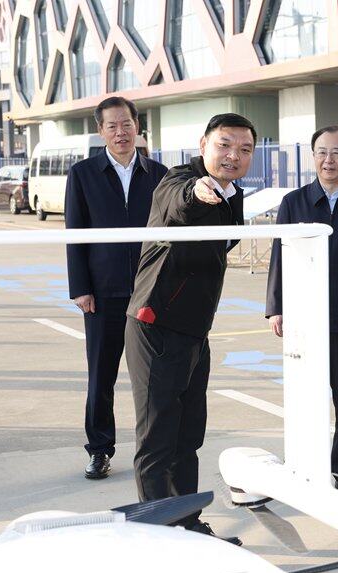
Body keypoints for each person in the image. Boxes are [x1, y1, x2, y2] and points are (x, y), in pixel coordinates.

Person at [125, 113, 256, 545]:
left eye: (244, 149)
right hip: (157, 325)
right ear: (203, 145)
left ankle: (187, 524)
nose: (233, 156)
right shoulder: (179, 180)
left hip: (196, 330)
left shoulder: (234, 194)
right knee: (157, 437)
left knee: (188, 435)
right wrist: (198, 191)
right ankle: (158, 534)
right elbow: (181, 202)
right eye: (224, 145)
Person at [65, 96, 168, 480]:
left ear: (137, 126)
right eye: (112, 126)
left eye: (126, 124)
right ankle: (99, 450)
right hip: (103, 293)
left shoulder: (159, 174)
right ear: (101, 131)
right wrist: (81, 287)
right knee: (101, 377)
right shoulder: (83, 174)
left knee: (154, 378)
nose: (121, 132)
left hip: (148, 291)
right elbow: (75, 233)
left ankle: (155, 450)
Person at [265, 125, 338, 498]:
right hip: (304, 319)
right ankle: (304, 465)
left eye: (337, 152)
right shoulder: (294, 202)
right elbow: (279, 255)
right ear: (313, 157)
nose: (329, 160)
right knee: (305, 399)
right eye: (322, 152)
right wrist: (276, 306)